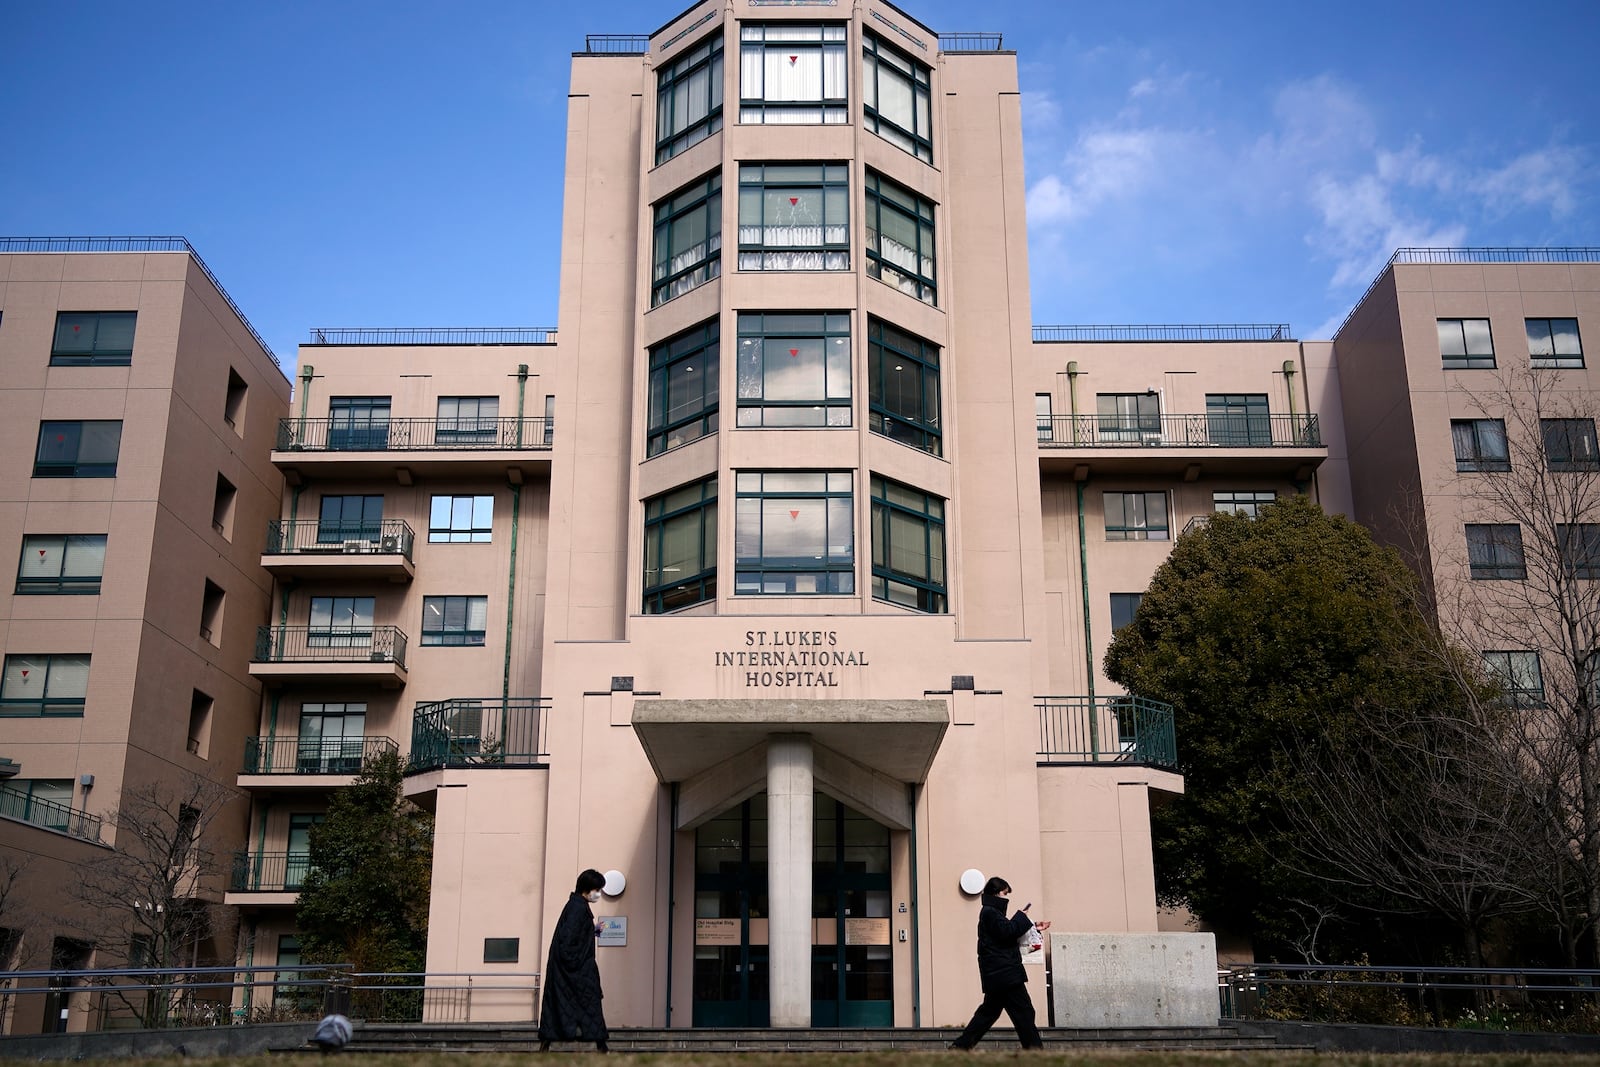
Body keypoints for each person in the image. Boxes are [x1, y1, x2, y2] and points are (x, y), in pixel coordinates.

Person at [949, 876, 1051, 1050]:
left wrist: (1032, 925)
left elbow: (1005, 932)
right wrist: (1022, 916)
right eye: (1004, 894)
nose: (1006, 898)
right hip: (1005, 974)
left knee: (988, 1014)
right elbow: (1008, 931)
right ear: (996, 893)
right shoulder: (990, 913)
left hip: (998, 974)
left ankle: (961, 1046)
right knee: (1024, 1012)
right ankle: (1035, 1050)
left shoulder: (990, 913)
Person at [538, 868, 610, 1052]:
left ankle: (547, 1044)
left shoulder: (576, 906)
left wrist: (593, 931)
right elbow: (569, 942)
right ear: (587, 889)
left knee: (564, 1008)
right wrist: (580, 965)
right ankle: (601, 1046)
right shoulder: (578, 908)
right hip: (576, 971)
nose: (598, 894)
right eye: (597, 889)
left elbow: (573, 936)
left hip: (571, 969)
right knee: (590, 1003)